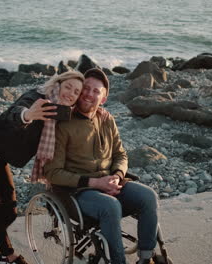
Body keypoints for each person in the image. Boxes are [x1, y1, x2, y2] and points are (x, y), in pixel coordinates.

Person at [0, 71, 85, 264]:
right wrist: (27, 115)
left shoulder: (61, 113)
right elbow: (15, 112)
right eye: (68, 86)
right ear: (58, 84)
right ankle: (9, 255)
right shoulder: (38, 97)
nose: (70, 93)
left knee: (10, 211)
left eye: (76, 92)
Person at [44, 68, 161, 264]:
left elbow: (120, 154)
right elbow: (52, 172)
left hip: (111, 181)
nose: (89, 94)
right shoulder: (63, 124)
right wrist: (95, 183)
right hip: (78, 191)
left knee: (149, 197)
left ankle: (146, 258)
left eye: (96, 91)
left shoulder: (106, 119)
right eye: (86, 89)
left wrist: (117, 175)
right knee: (110, 206)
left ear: (103, 98)